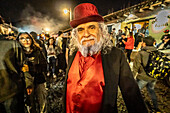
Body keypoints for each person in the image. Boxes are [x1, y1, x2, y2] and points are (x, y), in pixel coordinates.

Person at [63, 3, 148, 113]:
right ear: (76, 35)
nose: (86, 34)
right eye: (80, 30)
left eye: (91, 27)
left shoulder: (116, 55)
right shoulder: (73, 54)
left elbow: (131, 93)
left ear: (101, 31)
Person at [0, 36, 33, 113]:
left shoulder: (12, 43)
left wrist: (28, 83)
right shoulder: (12, 43)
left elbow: (24, 66)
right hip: (10, 90)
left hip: (10, 91)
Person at [16, 32, 47, 113]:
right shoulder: (17, 53)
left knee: (42, 101)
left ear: (31, 39)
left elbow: (44, 65)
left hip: (39, 79)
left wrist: (31, 68)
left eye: (27, 38)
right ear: (18, 41)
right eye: (22, 38)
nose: (25, 40)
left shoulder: (37, 51)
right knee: (30, 102)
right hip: (25, 82)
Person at [133, 36, 161, 112]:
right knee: (151, 90)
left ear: (144, 44)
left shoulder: (141, 53)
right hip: (154, 77)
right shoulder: (157, 52)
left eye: (142, 42)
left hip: (143, 77)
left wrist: (132, 77)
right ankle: (155, 107)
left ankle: (136, 108)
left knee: (135, 92)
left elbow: (136, 67)